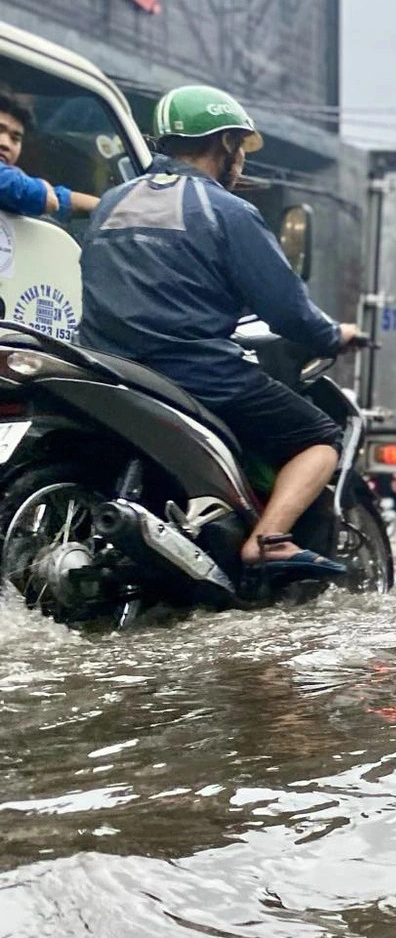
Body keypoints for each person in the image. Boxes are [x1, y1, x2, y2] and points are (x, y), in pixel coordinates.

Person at [78, 84, 359, 577]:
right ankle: (269, 541)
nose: (241, 164)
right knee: (319, 437)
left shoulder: (111, 203)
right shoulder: (225, 209)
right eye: (239, 150)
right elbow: (288, 311)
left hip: (105, 370)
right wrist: (334, 335)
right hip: (195, 375)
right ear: (227, 144)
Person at [0, 91, 100, 223]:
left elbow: (58, 199)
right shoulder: (14, 184)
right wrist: (42, 193)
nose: (5, 143)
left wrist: (107, 207)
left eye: (15, 138)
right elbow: (47, 198)